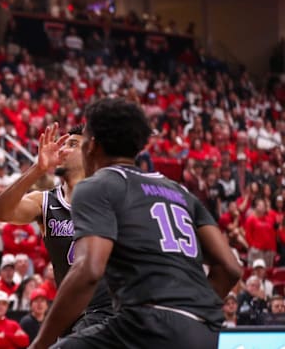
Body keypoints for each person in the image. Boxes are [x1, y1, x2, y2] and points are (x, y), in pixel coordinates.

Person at [32, 98, 242, 348]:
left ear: (92, 146)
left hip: (145, 324)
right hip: (201, 331)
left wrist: (40, 344)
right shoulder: (179, 191)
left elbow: (88, 271)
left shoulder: (97, 185)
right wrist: (192, 315)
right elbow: (231, 268)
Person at [0, 123, 113, 332]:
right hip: (70, 312)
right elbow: (0, 212)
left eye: (72, 144)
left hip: (109, 311)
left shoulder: (110, 198)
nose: (63, 149)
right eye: (63, 144)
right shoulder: (45, 201)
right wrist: (37, 169)